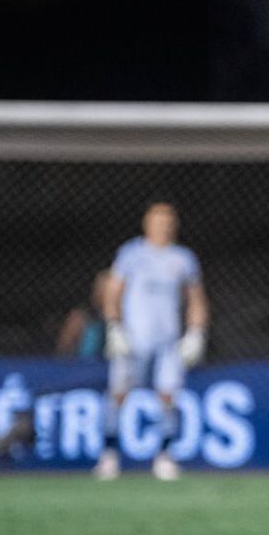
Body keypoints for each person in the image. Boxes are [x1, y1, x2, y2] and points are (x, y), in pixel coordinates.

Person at [95, 202, 209, 481]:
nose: (163, 226)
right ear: (147, 224)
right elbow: (113, 292)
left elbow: (196, 299)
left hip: (168, 342)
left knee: (168, 397)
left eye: (168, 221)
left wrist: (196, 333)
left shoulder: (183, 258)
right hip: (133, 340)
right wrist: (113, 326)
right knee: (119, 394)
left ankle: (164, 456)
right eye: (158, 221)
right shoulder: (130, 254)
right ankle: (109, 455)